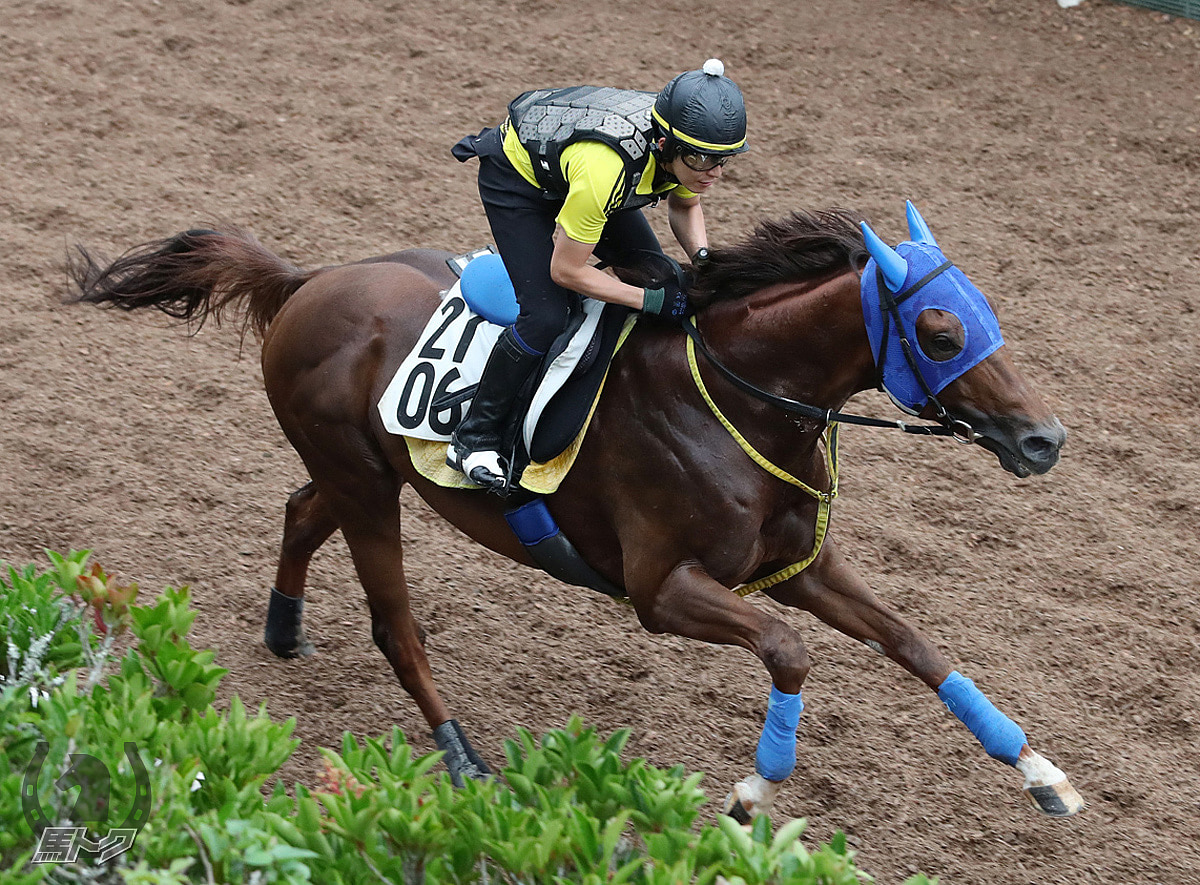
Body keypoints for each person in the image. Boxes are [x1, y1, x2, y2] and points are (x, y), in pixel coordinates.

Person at [446, 58, 749, 493]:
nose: (714, 173)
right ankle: (474, 435)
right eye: (704, 160)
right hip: (521, 184)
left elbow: (685, 206)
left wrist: (703, 259)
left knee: (661, 275)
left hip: (585, 175)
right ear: (664, 144)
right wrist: (646, 302)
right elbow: (567, 270)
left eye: (725, 161)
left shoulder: (687, 150)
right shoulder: (606, 170)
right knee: (546, 316)